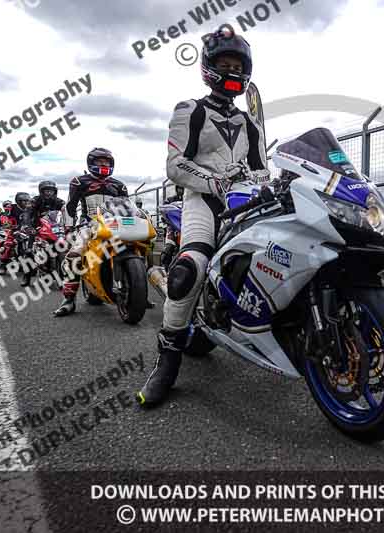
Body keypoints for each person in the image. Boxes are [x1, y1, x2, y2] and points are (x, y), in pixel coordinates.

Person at [137, 24, 269, 407]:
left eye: (238, 66)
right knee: (190, 269)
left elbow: (262, 169)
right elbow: (175, 165)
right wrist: (215, 182)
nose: (232, 71)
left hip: (244, 203)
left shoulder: (250, 123)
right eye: (225, 64)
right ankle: (167, 362)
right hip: (203, 201)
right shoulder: (190, 110)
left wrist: (263, 184)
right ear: (209, 67)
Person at [53, 147, 129, 317]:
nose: (103, 165)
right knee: (74, 256)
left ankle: (139, 290)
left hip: (115, 224)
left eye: (106, 162)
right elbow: (71, 206)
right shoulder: (79, 182)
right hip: (89, 225)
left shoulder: (119, 185)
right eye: (100, 161)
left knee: (139, 245)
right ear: (90, 163)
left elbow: (127, 207)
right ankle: (68, 300)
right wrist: (69, 227)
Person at [18, 180, 66, 286]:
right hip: (37, 228)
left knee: (65, 248)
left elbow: (67, 212)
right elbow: (27, 213)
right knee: (29, 251)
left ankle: (64, 275)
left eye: (51, 191)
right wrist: (27, 225)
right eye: (46, 191)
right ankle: (27, 276)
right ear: (41, 191)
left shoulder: (60, 202)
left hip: (55, 228)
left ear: (55, 192)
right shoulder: (34, 201)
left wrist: (71, 223)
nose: (48, 193)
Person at [0, 193, 32, 274]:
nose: (26, 203)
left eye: (27, 201)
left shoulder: (30, 208)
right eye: (23, 201)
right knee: (8, 244)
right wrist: (6, 223)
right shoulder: (12, 208)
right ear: (18, 201)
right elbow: (4, 216)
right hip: (14, 229)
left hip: (28, 230)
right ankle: (3, 265)